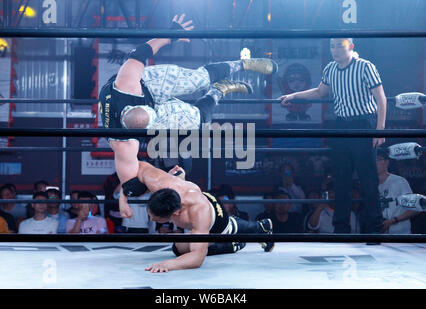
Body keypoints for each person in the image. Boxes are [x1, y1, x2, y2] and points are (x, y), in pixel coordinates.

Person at [99, 13, 278, 220]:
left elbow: (142, 51)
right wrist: (165, 179)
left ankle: (242, 64)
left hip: (147, 85)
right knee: (197, 120)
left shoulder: (127, 82)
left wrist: (171, 34)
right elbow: (131, 185)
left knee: (197, 80)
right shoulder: (122, 142)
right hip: (147, 115)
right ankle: (219, 91)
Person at [280, 38, 386, 234]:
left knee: (368, 179)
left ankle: (374, 229)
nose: (335, 50)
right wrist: (294, 95)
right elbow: (320, 92)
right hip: (341, 125)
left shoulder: (365, 67)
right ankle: (341, 228)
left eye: (340, 46)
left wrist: (379, 128)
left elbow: (381, 97)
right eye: (332, 46)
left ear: (350, 47)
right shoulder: (330, 68)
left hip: (364, 123)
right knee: (341, 179)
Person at [123, 162, 274, 273]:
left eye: (156, 219)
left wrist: (168, 264)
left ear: (175, 214)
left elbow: (197, 259)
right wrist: (123, 200)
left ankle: (232, 243)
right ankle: (261, 226)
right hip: (192, 192)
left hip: (214, 215)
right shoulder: (158, 182)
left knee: (180, 249)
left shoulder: (198, 213)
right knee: (184, 246)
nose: (151, 219)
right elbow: (139, 166)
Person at [377, 150, 418, 234]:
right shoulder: (369, 184)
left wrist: (394, 220)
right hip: (379, 236)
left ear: (386, 162)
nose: (375, 163)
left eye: (378, 159)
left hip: (400, 234)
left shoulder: (399, 181)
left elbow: (415, 209)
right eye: (372, 160)